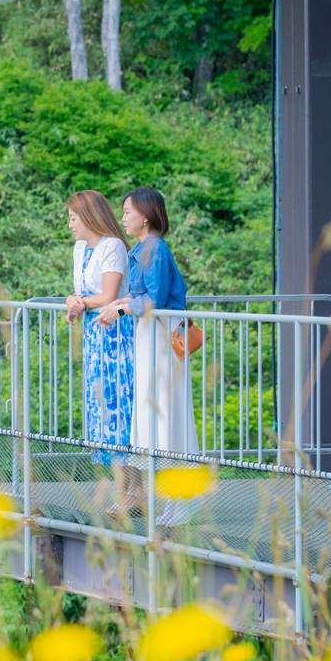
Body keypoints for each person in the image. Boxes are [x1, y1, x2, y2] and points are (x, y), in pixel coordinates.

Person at [97, 187, 199, 459]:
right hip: (152, 330)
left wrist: (120, 310)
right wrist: (119, 304)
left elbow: (155, 298)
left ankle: (166, 463)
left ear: (144, 216)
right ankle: (157, 463)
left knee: (162, 396)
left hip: (162, 331)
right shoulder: (146, 248)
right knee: (152, 394)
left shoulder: (154, 249)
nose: (123, 218)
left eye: (127, 212)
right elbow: (143, 294)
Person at [64, 190, 134, 471]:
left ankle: (132, 484)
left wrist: (80, 302)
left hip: (115, 329)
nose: (70, 224)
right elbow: (84, 292)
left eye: (73, 218)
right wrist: (73, 301)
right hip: (94, 332)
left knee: (120, 401)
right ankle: (118, 480)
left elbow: (108, 295)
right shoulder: (80, 248)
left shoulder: (112, 246)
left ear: (89, 217)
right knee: (100, 402)